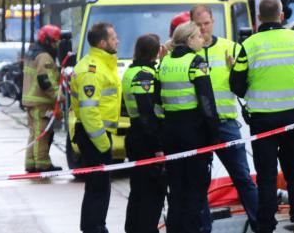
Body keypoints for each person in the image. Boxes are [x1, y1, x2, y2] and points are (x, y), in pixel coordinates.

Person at [230, 0, 294, 233]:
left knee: (267, 176)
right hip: (293, 118)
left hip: (262, 120)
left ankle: (266, 225)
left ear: (259, 17)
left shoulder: (249, 45)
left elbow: (236, 86)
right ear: (281, 16)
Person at [191, 4, 259, 231]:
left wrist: (235, 72)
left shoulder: (231, 48)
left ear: (213, 21)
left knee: (242, 177)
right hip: (199, 126)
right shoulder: (188, 52)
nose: (202, 29)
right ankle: (203, 228)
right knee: (199, 183)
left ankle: (261, 225)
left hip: (226, 123)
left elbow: (247, 86)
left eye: (206, 23)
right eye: (198, 25)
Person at [157, 22, 219, 232]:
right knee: (195, 190)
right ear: (190, 40)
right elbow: (207, 102)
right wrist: (214, 133)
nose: (202, 39)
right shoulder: (196, 62)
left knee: (176, 190)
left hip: (170, 134)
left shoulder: (164, 62)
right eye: (199, 36)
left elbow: (158, 103)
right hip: (195, 134)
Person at [70, 22, 122, 233]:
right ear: (103, 43)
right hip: (94, 136)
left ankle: (95, 226)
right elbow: (89, 112)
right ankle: (94, 228)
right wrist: (103, 143)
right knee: (98, 186)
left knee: (98, 185)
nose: (117, 40)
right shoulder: (92, 70)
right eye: (113, 38)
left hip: (95, 134)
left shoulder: (101, 64)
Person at [122, 34, 167, 233]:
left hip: (136, 135)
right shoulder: (144, 75)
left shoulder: (131, 72)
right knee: (152, 192)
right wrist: (157, 147)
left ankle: (133, 229)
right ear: (156, 52)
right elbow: (148, 114)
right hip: (146, 139)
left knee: (138, 191)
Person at [22, 24, 62, 173]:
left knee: (34, 132)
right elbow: (45, 81)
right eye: (54, 42)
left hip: (31, 100)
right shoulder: (44, 56)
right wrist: (59, 97)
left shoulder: (32, 52)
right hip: (41, 102)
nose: (56, 45)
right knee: (42, 133)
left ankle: (30, 163)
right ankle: (42, 164)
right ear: (46, 40)